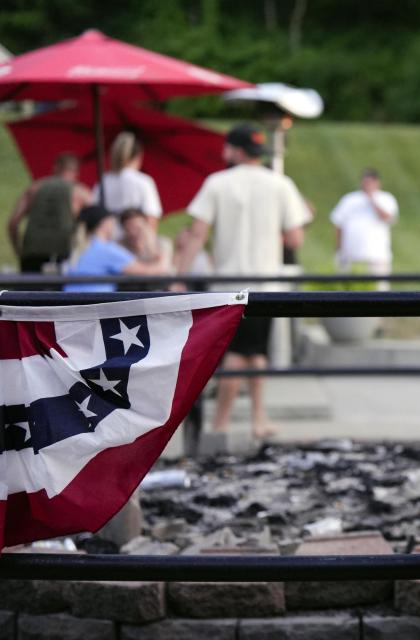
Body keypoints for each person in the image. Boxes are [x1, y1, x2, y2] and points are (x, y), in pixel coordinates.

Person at [177, 122, 310, 440]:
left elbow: (198, 233)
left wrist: (178, 276)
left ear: (234, 150)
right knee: (255, 352)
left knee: (237, 354)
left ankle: (222, 424)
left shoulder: (217, 183)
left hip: (228, 285)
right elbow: (295, 238)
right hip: (267, 284)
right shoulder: (280, 184)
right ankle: (257, 420)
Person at [7, 153, 91, 274]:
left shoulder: (34, 188)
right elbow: (98, 224)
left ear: (55, 168)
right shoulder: (81, 193)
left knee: (29, 292)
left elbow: (13, 224)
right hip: (62, 254)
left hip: (31, 253)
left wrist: (19, 251)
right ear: (76, 172)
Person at [63, 205, 170, 292]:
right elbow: (149, 272)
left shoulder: (82, 246)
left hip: (74, 304)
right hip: (95, 306)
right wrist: (163, 259)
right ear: (105, 224)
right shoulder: (106, 249)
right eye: (112, 221)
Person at [329, 167, 398, 285]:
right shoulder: (350, 199)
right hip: (351, 256)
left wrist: (372, 200)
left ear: (377, 183)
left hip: (377, 256)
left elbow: (388, 217)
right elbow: (338, 224)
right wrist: (338, 247)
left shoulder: (386, 198)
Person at [92, 132, 163, 231]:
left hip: (107, 240)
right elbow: (151, 219)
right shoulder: (144, 182)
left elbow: (93, 214)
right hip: (132, 240)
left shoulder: (103, 181)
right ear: (138, 155)